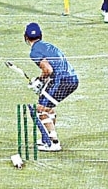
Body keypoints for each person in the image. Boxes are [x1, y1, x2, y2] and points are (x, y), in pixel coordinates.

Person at [22, 22, 78, 152]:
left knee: (41, 110)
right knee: (48, 108)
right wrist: (43, 82)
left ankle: (54, 143)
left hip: (61, 81)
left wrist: (39, 80)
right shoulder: (49, 46)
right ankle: (46, 138)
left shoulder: (34, 52)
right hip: (72, 79)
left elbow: (48, 70)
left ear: (25, 37)